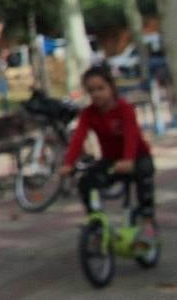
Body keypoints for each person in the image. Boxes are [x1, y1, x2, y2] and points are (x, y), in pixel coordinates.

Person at [58, 65, 157, 234]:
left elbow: (131, 135)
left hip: (136, 156)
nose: (96, 94)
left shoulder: (124, 109)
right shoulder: (89, 114)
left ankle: (147, 220)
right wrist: (68, 163)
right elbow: (78, 138)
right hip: (110, 160)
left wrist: (128, 160)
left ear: (111, 87)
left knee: (145, 173)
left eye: (100, 88)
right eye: (91, 90)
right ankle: (95, 222)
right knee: (86, 181)